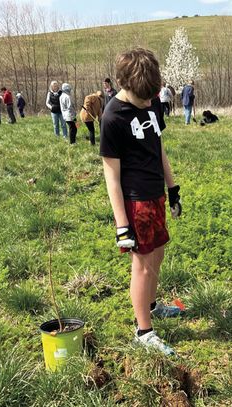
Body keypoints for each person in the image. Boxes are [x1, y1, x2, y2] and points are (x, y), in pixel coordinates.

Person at [100, 48, 183, 356]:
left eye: (152, 97)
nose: (149, 103)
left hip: (156, 195)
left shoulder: (153, 104)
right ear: (124, 85)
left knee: (157, 255)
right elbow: (111, 176)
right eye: (143, 98)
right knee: (143, 266)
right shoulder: (112, 117)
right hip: (136, 203)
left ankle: (151, 305)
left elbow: (159, 149)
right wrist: (122, 225)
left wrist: (172, 188)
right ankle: (144, 331)